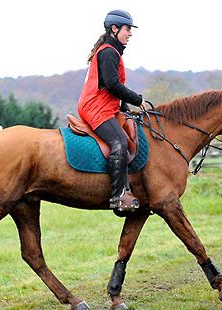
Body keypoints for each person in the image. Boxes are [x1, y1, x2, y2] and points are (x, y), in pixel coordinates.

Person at [78, 10, 146, 212]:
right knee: (120, 142)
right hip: (96, 108)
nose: (130, 34)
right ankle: (118, 196)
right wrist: (137, 99)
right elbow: (112, 85)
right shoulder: (108, 52)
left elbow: (114, 91)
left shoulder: (111, 51)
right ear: (114, 29)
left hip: (106, 106)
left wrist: (126, 109)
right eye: (127, 29)